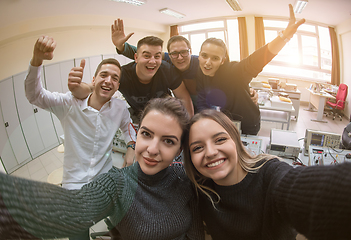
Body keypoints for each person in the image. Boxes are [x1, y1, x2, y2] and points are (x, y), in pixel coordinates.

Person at [0, 97, 205, 240]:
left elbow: (196, 233)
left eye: (168, 141)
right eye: (146, 134)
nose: (152, 149)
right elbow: (67, 210)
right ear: (137, 133)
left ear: (180, 148)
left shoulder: (185, 178)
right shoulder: (116, 184)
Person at [25, 36, 136, 239]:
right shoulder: (68, 104)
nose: (108, 80)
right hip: (74, 186)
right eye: (104, 75)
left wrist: (131, 146)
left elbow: (129, 129)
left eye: (114, 78)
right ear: (93, 80)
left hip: (105, 179)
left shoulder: (119, 108)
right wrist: (37, 60)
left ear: (118, 86)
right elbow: (35, 95)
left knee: (126, 223)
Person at [183, 109, 351, 240]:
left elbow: (309, 192)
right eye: (197, 148)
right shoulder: (199, 187)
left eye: (220, 139)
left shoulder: (270, 174)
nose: (211, 152)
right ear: (190, 159)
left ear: (236, 140)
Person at [196, 4, 305, 135]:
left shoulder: (231, 72)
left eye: (215, 58)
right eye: (204, 56)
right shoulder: (199, 71)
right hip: (226, 121)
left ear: (222, 61)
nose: (207, 62)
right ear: (199, 55)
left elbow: (255, 61)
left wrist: (284, 37)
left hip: (247, 123)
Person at [111, 19, 258, 112]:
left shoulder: (201, 63)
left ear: (191, 52)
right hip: (184, 107)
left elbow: (228, 73)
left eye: (184, 52)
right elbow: (146, 55)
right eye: (174, 53)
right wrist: (122, 47)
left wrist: (248, 89)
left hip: (206, 107)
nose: (179, 57)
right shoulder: (167, 60)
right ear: (168, 54)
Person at [71, 35, 194, 123]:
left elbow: (184, 98)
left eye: (157, 56)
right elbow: (91, 89)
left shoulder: (167, 70)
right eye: (146, 56)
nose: (153, 61)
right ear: (136, 57)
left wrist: (188, 127)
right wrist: (76, 87)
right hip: (139, 116)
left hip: (165, 113)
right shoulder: (123, 75)